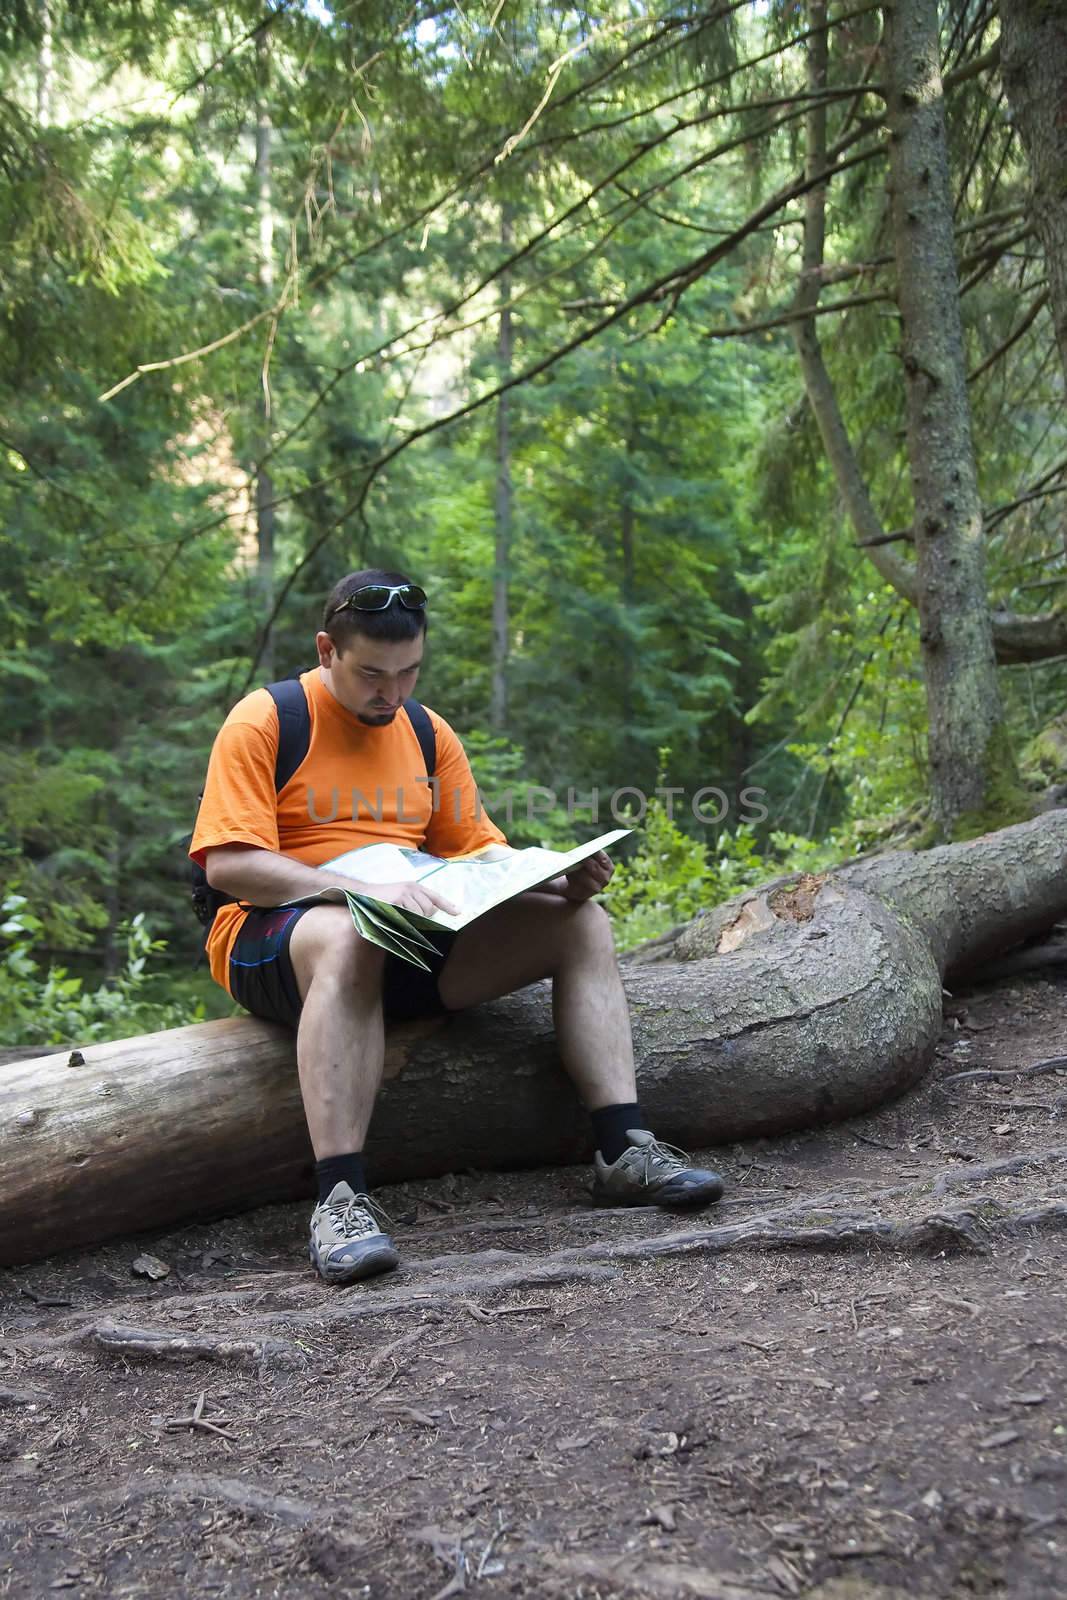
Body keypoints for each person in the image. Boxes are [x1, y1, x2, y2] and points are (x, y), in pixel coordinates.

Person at [190, 568, 725, 1286]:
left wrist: (556, 879)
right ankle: (339, 1200)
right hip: (274, 942)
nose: (393, 692)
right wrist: (354, 888)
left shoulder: (423, 731)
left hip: (405, 938)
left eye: (409, 671)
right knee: (351, 933)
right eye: (372, 675)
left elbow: (478, 853)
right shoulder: (266, 720)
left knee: (580, 922)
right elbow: (228, 864)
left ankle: (621, 1149)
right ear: (326, 651)